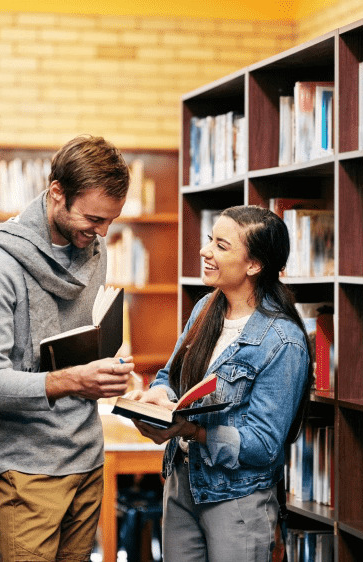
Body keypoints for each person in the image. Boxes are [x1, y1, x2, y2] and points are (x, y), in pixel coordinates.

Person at [0, 135, 136, 561]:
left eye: (111, 221)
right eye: (93, 218)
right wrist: (73, 380)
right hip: (28, 469)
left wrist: (110, 366)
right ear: (56, 193)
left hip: (88, 457)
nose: (102, 233)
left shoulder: (92, 247)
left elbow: (81, 338)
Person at [126, 205, 311, 561]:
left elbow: (265, 444)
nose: (205, 250)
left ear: (254, 265)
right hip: (182, 483)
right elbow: (169, 377)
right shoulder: (204, 310)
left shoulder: (283, 342)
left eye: (221, 246)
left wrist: (193, 431)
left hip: (237, 499)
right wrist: (156, 399)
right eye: (210, 239)